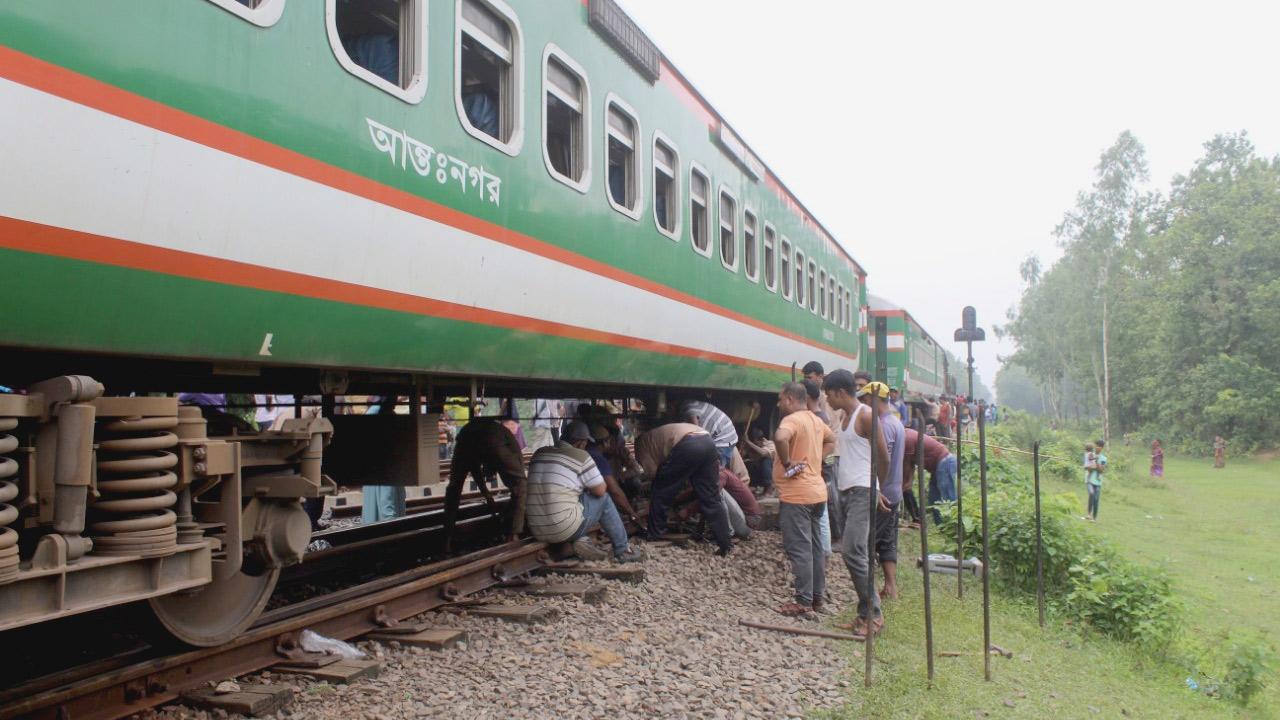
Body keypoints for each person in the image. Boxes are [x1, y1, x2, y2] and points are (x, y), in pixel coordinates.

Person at [823, 369, 890, 636]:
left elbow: (883, 456)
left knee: (852, 551)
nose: (827, 399)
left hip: (863, 489)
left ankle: (874, 614)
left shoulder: (865, 414)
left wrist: (878, 489)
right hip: (849, 490)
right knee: (855, 554)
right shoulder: (847, 416)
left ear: (840, 392)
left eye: (829, 394)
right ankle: (864, 614)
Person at [524, 421, 644, 563]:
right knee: (604, 499)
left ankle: (580, 540)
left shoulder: (540, 453)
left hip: (536, 529)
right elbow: (600, 491)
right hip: (563, 529)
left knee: (570, 495)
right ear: (581, 442)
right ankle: (623, 549)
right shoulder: (581, 456)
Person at [771, 382, 835, 617]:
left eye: (780, 399)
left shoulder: (792, 420)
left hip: (797, 496)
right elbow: (832, 441)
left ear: (789, 399)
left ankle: (803, 602)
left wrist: (788, 463)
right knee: (816, 548)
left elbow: (780, 437)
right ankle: (817, 597)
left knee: (800, 549)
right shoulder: (815, 419)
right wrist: (814, 462)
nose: (778, 404)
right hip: (817, 493)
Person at [635, 420, 733, 555]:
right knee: (711, 498)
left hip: (688, 443)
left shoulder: (640, 445)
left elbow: (652, 473)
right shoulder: (656, 436)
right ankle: (725, 544)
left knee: (660, 490)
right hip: (707, 441)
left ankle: (654, 533)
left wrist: (648, 488)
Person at [442, 417, 527, 553]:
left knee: (454, 489)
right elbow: (520, 482)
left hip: (465, 438)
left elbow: (473, 465)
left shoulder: (490, 435)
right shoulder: (505, 439)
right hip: (491, 439)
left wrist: (487, 495)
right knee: (521, 485)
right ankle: (513, 534)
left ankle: (446, 539)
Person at [862, 381, 905, 600]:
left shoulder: (884, 425)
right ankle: (890, 588)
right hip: (894, 492)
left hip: (884, 494)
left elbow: (882, 458)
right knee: (887, 540)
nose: (864, 403)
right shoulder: (895, 422)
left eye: (866, 399)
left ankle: (871, 597)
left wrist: (876, 489)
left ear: (874, 399)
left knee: (869, 542)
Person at [803, 361, 845, 547]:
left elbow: (827, 427)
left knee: (830, 495)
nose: (808, 381)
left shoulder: (822, 399)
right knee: (830, 493)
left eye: (810, 377)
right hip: (831, 449)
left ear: (820, 376)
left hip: (829, 451)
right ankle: (833, 536)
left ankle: (836, 536)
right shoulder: (825, 397)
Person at [901, 427, 955, 524]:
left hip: (944, 462)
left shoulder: (907, 438)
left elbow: (907, 464)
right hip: (938, 466)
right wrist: (908, 482)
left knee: (948, 497)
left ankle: (955, 525)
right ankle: (941, 526)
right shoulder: (907, 435)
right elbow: (911, 463)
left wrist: (906, 483)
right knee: (934, 498)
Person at [680, 399, 739, 468]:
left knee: (714, 469)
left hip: (723, 439)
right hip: (728, 435)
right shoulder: (692, 404)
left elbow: (697, 433)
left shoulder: (690, 410)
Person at [740, 425, 775, 495]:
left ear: (761, 440)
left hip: (772, 475)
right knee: (746, 463)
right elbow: (741, 457)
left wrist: (749, 442)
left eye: (756, 442)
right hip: (757, 474)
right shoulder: (750, 447)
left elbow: (763, 453)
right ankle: (751, 487)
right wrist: (744, 447)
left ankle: (769, 487)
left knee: (766, 461)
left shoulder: (770, 444)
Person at [1086, 440, 1107, 521]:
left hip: (1098, 482)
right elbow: (1088, 468)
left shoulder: (1104, 458)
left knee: (1096, 499)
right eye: (1096, 445)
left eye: (1099, 446)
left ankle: (1094, 518)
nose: (1097, 447)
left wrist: (1096, 463)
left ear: (1102, 448)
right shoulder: (1090, 455)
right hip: (1090, 480)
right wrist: (1093, 466)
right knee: (1091, 494)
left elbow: (1101, 470)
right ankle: (1088, 514)